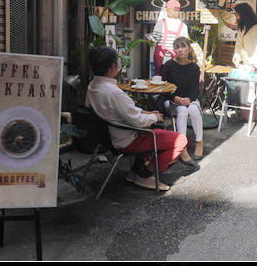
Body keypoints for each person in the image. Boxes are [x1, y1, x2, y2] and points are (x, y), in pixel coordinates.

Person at [85, 46, 198, 192]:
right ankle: (144, 175)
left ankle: (135, 171)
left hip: (107, 137)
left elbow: (123, 111)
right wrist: (153, 117)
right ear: (113, 66)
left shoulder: (93, 86)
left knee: (157, 129)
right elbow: (136, 120)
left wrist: (146, 112)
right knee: (180, 140)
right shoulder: (114, 93)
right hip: (126, 139)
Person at [161, 37, 205, 160]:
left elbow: (195, 90)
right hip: (171, 99)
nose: (180, 50)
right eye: (177, 47)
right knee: (183, 111)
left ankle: (199, 142)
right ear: (174, 50)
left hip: (189, 99)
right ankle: (182, 147)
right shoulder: (168, 65)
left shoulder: (194, 68)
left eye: (183, 46)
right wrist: (174, 97)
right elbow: (163, 88)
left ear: (189, 49)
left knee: (194, 110)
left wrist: (189, 99)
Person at [148, 0, 189, 76]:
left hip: (161, 59)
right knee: (173, 82)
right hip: (176, 59)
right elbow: (184, 45)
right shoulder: (183, 26)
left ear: (168, 10)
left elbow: (154, 39)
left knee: (160, 81)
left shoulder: (161, 23)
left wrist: (149, 37)